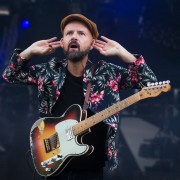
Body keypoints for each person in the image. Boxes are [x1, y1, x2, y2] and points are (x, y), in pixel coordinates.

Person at [2, 14, 157, 180]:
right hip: (54, 168)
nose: (74, 36)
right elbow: (10, 75)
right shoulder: (48, 71)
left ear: (92, 44)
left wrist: (124, 54)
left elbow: (149, 84)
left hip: (91, 172)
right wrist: (30, 51)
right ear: (62, 43)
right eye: (69, 33)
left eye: (81, 33)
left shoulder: (107, 73)